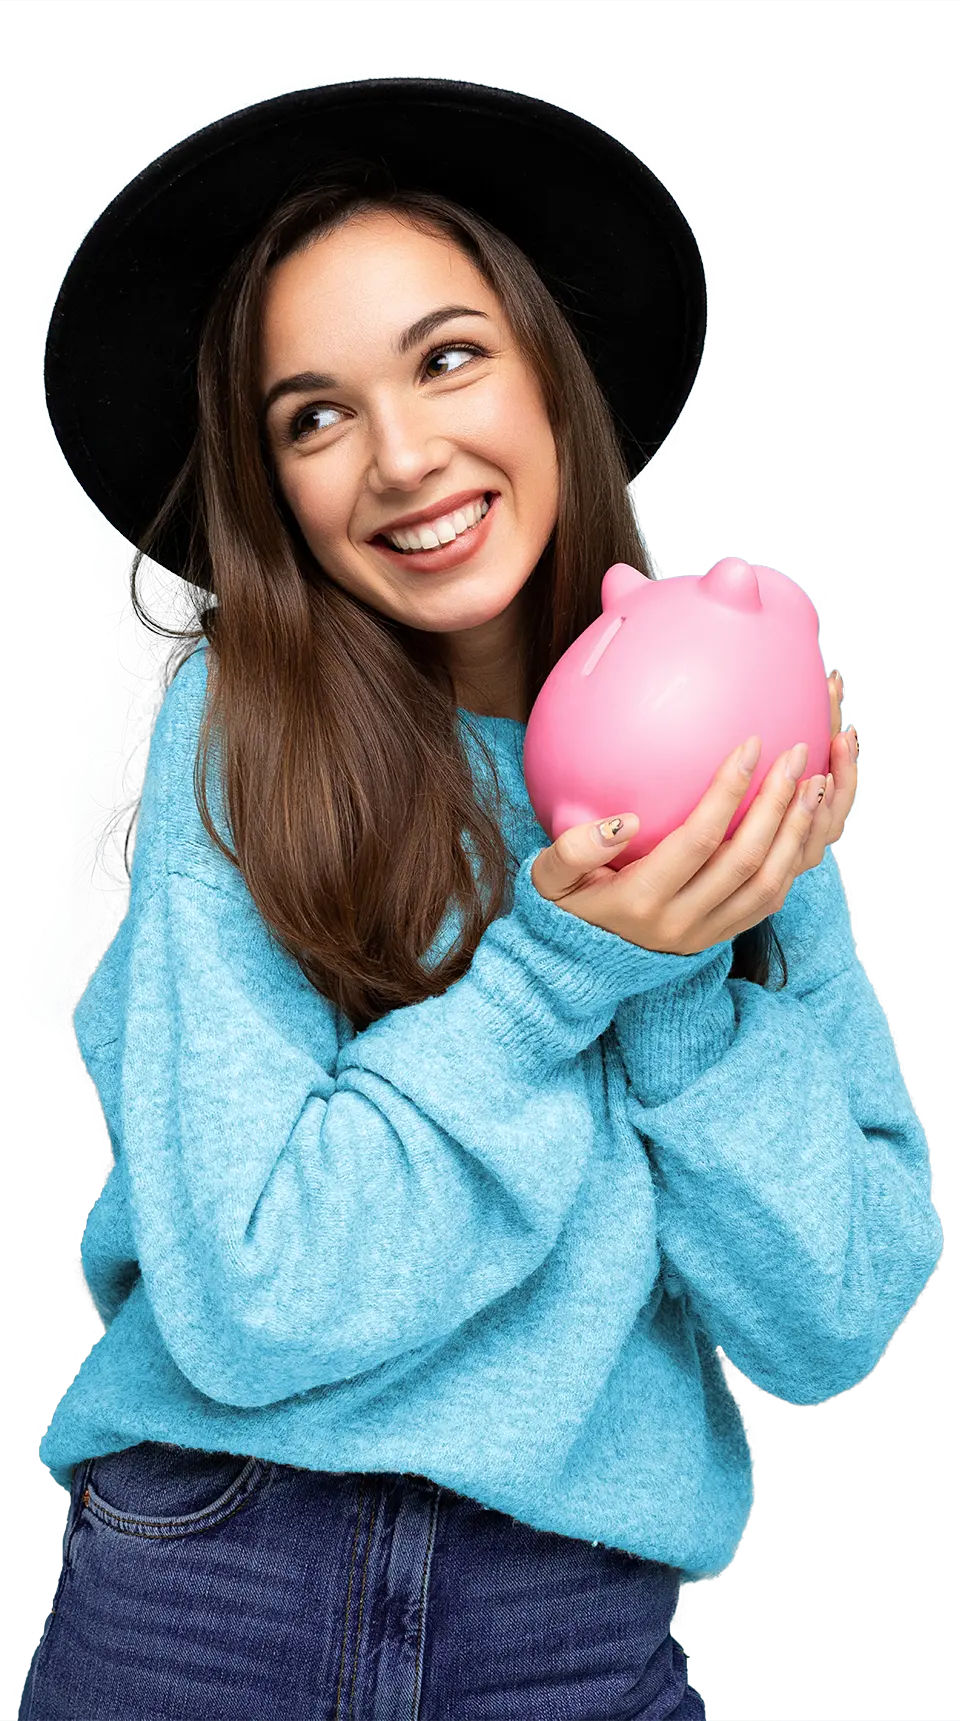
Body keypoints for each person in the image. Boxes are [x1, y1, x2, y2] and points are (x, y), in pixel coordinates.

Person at [20, 77, 942, 1721]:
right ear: (270, 481)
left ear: (546, 368)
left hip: (574, 1621)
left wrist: (679, 970)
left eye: (448, 358)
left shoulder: (725, 761)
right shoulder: (244, 733)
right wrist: (562, 965)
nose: (402, 456)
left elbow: (832, 1321)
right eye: (313, 416)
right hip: (222, 1582)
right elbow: (256, 1303)